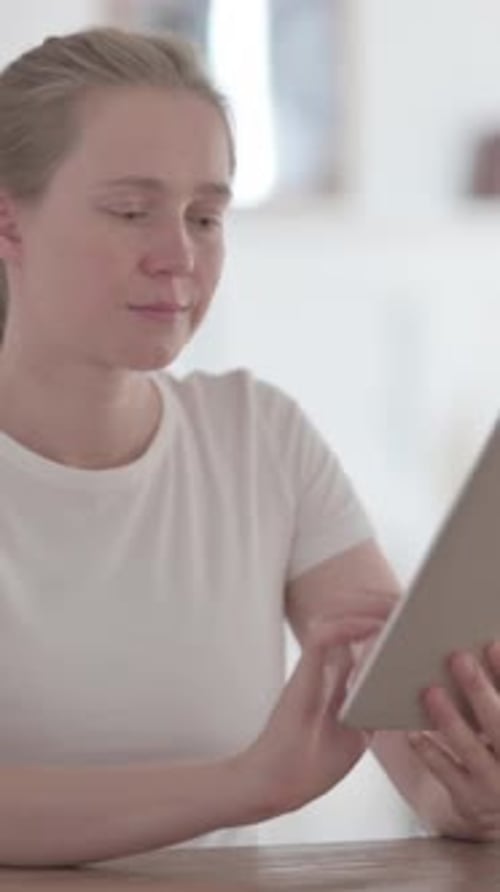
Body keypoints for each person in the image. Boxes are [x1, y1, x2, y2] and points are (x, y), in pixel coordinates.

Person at [0, 26, 499, 872]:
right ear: (8, 224)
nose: (179, 257)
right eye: (131, 211)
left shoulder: (259, 438)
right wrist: (247, 783)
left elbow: (414, 742)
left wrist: (472, 789)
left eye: (206, 216)